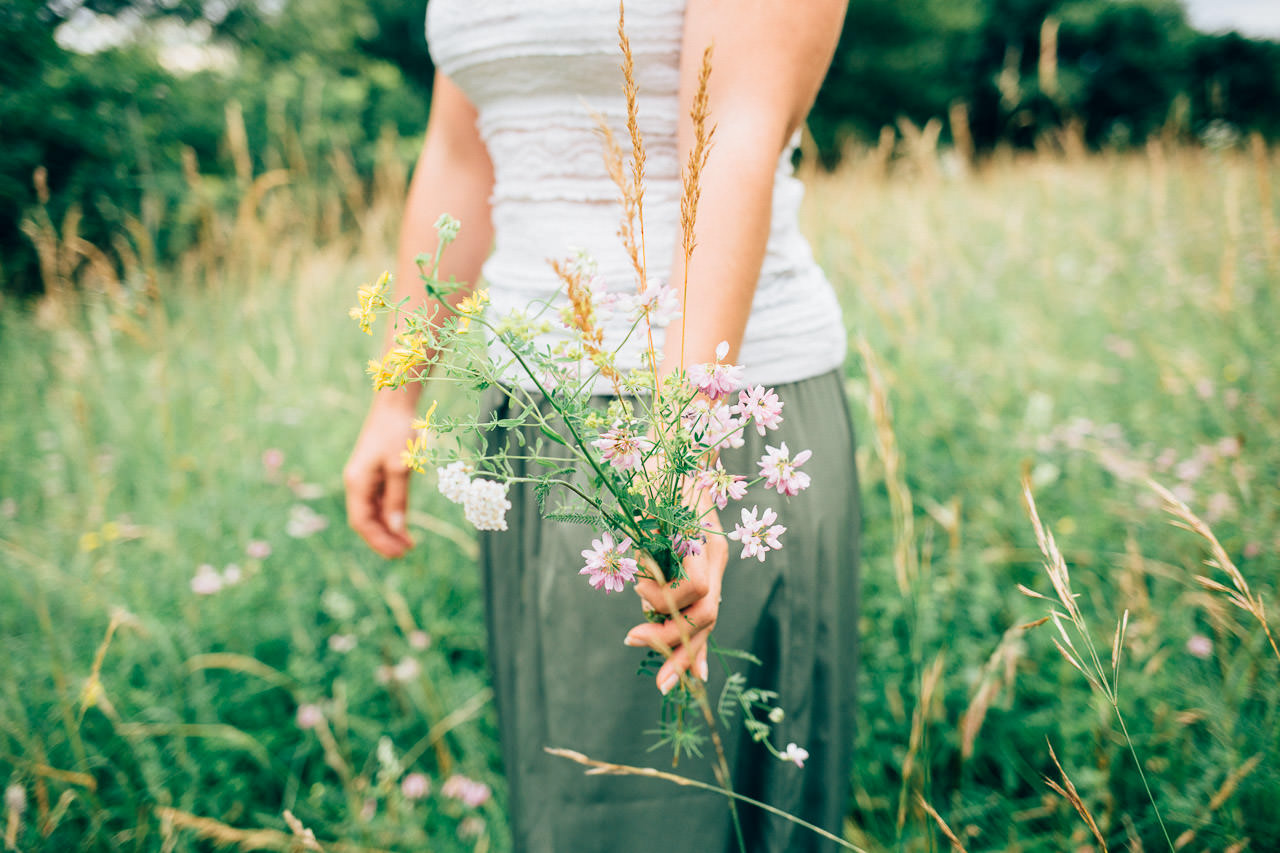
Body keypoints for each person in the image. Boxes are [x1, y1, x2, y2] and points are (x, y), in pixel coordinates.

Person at [344, 2, 858, 851]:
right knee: (570, 800)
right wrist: (395, 395)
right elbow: (462, 150)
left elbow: (733, 134)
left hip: (713, 406)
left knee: (674, 813)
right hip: (526, 419)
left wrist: (682, 440)